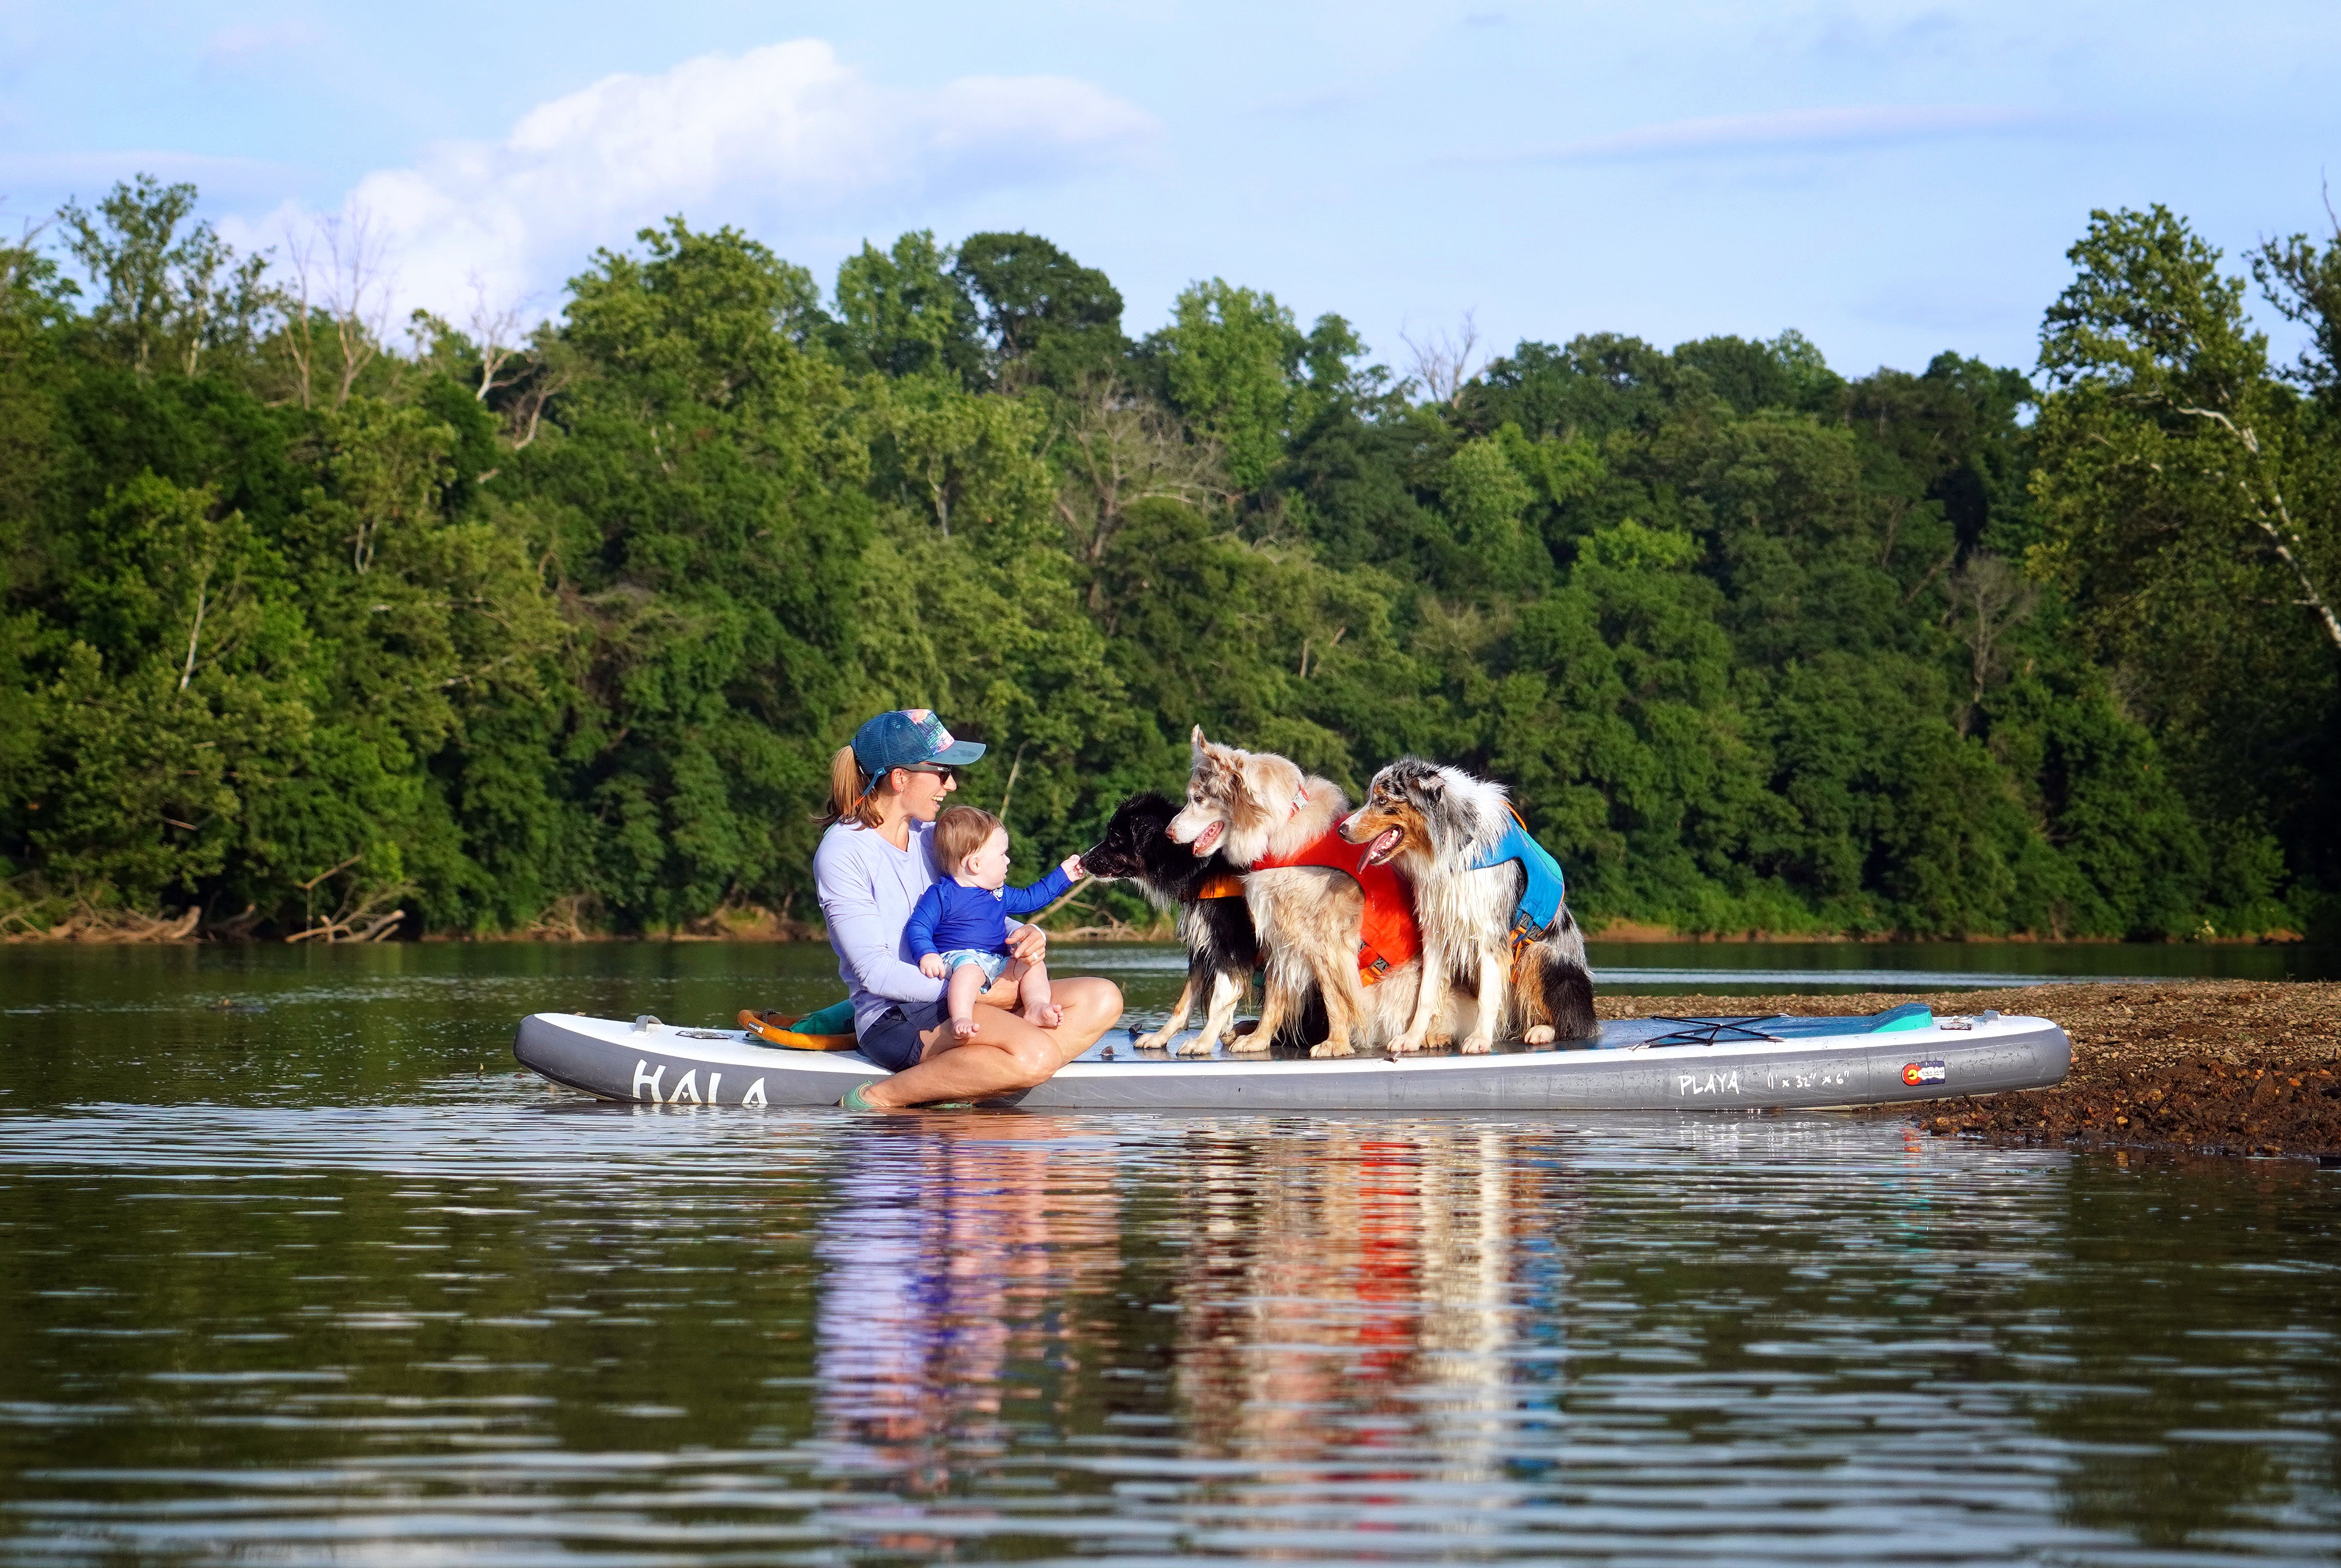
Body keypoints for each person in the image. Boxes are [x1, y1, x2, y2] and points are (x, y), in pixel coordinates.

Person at [812, 709, 1123, 1109]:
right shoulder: (842, 852)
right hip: (898, 1017)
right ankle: (877, 1098)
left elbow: (975, 909)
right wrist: (980, 994)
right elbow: (875, 973)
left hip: (966, 996)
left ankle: (972, 1081)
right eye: (942, 772)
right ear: (899, 777)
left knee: (1104, 998)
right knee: (1039, 1054)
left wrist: (1028, 934)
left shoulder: (930, 838)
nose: (952, 785)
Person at [907, 805, 1084, 1039]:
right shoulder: (942, 894)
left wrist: (1064, 875)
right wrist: (927, 953)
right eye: (1002, 854)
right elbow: (919, 927)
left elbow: (1033, 898)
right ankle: (961, 1017)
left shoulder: (998, 893)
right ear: (976, 864)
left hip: (996, 960)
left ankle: (1035, 1007)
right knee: (969, 972)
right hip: (960, 958)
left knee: (1032, 964)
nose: (1008, 860)